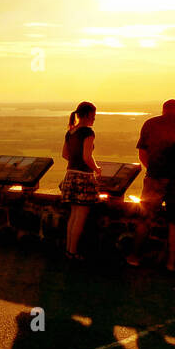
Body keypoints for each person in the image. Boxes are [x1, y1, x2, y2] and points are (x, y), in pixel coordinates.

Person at [126, 98, 175, 271]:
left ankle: (134, 257)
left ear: (163, 110)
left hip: (155, 177)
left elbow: (142, 154)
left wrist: (153, 170)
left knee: (145, 218)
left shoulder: (150, 124)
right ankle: (171, 263)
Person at [58, 101, 101, 260]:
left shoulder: (71, 132)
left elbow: (65, 154)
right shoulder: (88, 132)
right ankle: (73, 252)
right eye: (94, 116)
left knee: (74, 215)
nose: (94, 119)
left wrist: (75, 162)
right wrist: (97, 169)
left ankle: (69, 250)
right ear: (89, 114)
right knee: (81, 216)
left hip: (70, 175)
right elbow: (87, 157)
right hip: (84, 176)